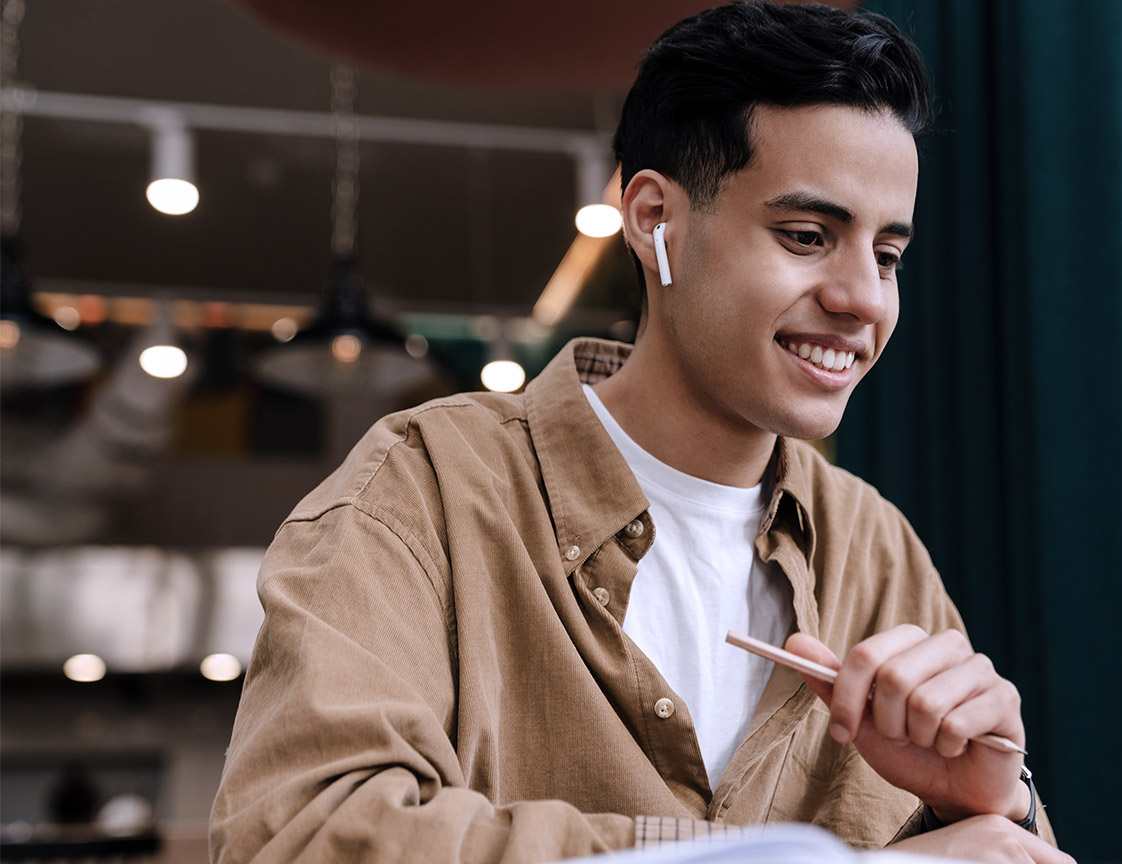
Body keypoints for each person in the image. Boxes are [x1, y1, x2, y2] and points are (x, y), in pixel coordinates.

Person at [211, 4, 1072, 863]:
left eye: (887, 255)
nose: (864, 300)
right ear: (654, 218)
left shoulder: (875, 547)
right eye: (807, 237)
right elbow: (296, 839)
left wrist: (1007, 804)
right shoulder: (424, 491)